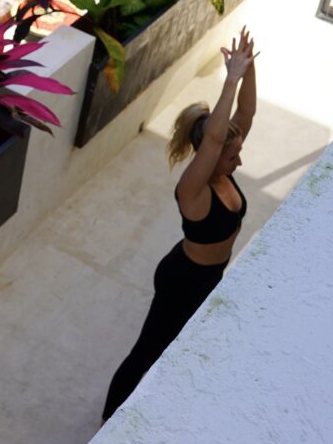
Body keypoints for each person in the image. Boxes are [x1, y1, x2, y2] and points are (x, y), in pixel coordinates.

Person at [101, 27, 258, 421]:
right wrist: (230, 80)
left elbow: (246, 115)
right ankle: (110, 419)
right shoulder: (193, 188)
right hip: (182, 281)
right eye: (230, 155)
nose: (238, 161)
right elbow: (213, 140)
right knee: (149, 351)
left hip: (209, 279)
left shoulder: (221, 171)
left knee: (182, 352)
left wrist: (249, 69)